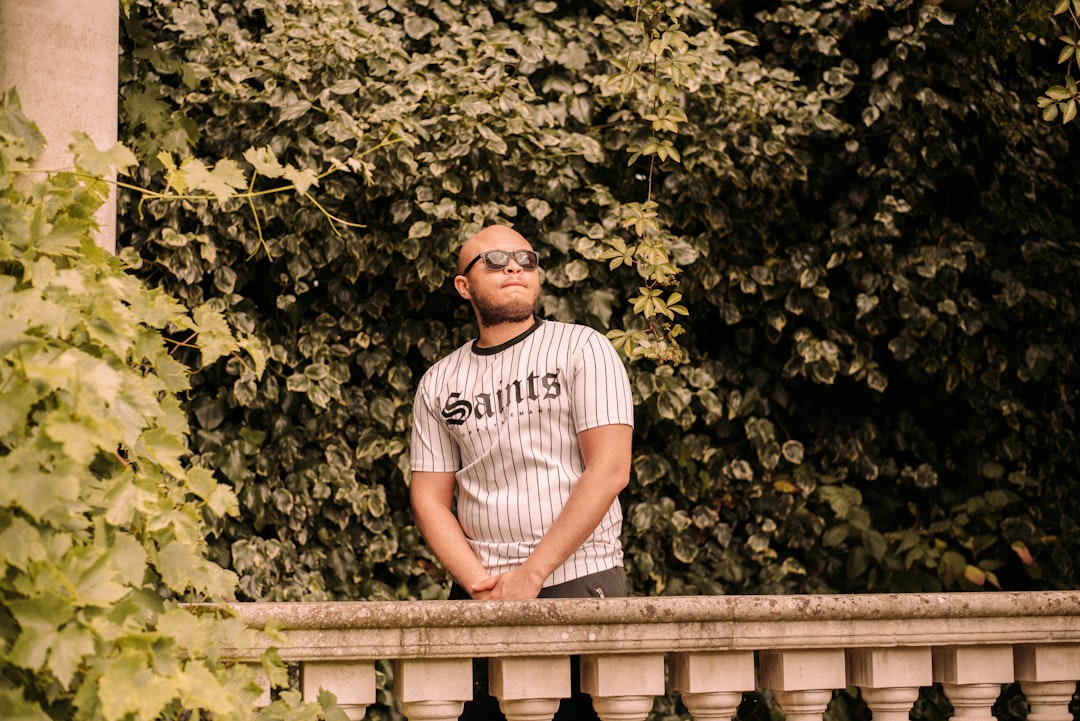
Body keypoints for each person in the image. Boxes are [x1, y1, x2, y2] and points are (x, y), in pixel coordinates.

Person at [409, 224, 634, 719]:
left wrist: (533, 573)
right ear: (463, 286)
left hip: (581, 580)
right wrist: (480, 585)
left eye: (525, 259)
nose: (513, 266)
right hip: (481, 592)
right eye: (492, 260)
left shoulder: (583, 348)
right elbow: (428, 498)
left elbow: (611, 469)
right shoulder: (439, 382)